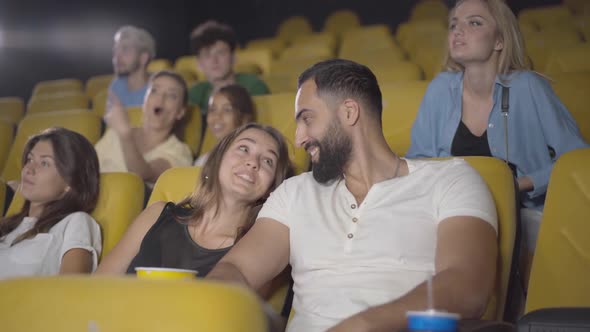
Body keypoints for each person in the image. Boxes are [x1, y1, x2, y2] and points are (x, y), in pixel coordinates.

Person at [207, 59, 498, 332]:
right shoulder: (295, 193)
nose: (298, 139)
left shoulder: (451, 180)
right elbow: (236, 268)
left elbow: (467, 285)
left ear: (349, 112)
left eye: (307, 119)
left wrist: (361, 325)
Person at [405, 0, 588, 254]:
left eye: (475, 23)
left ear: (499, 41)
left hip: (523, 214)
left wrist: (519, 183)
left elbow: (576, 158)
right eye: (453, 25)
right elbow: (419, 160)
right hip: (456, 210)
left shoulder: (529, 87)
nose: (458, 31)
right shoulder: (439, 89)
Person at [96, 123, 293, 279]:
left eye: (268, 161)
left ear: (270, 189)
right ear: (217, 159)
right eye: (243, 149)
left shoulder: (259, 251)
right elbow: (96, 288)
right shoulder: (156, 215)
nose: (253, 162)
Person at [0, 127, 102, 279]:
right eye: (30, 159)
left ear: (70, 182)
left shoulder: (75, 221)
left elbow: (69, 289)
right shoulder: (9, 225)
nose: (29, 169)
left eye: (44, 163)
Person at [95, 70, 193, 185]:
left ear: (180, 112)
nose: (160, 99)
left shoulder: (180, 152)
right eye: (154, 91)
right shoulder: (114, 133)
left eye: (172, 95)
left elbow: (144, 175)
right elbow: (86, 166)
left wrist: (125, 136)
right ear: (144, 101)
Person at [188, 20, 269, 115]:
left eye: (221, 53)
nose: (214, 61)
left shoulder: (253, 86)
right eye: (207, 55)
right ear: (199, 64)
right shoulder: (196, 92)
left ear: (233, 58)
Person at [194, 84, 256, 166]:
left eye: (227, 110)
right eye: (212, 110)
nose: (217, 116)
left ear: (245, 119)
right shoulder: (203, 160)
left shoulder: (249, 159)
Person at [109, 25, 155, 107]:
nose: (117, 56)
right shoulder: (116, 86)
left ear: (143, 58)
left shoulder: (160, 87)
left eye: (125, 50)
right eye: (115, 50)